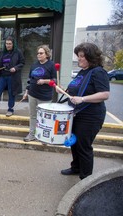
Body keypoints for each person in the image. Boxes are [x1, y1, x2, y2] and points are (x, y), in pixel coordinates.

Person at [60, 42, 109, 180]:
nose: (79, 59)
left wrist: (83, 99)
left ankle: (86, 178)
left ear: (91, 57)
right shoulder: (82, 72)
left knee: (83, 146)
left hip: (91, 117)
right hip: (77, 114)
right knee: (74, 143)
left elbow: (105, 94)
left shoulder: (98, 72)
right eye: (78, 56)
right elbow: (77, 88)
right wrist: (65, 90)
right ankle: (76, 168)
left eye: (82, 56)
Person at [22, 45, 57, 141]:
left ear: (47, 54)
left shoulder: (51, 65)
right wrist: (26, 92)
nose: (38, 55)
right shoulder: (34, 65)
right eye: (38, 53)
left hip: (44, 96)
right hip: (32, 94)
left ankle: (43, 137)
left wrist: (44, 81)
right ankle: (32, 134)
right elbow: (30, 80)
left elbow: (55, 81)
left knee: (44, 118)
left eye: (41, 53)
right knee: (33, 115)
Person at [0, 36, 25, 117]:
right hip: (2, 75)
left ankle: (10, 110)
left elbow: (22, 63)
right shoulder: (2, 52)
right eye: (7, 44)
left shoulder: (18, 52)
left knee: (11, 93)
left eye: (10, 44)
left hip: (12, 76)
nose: (8, 45)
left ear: (13, 44)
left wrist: (15, 68)